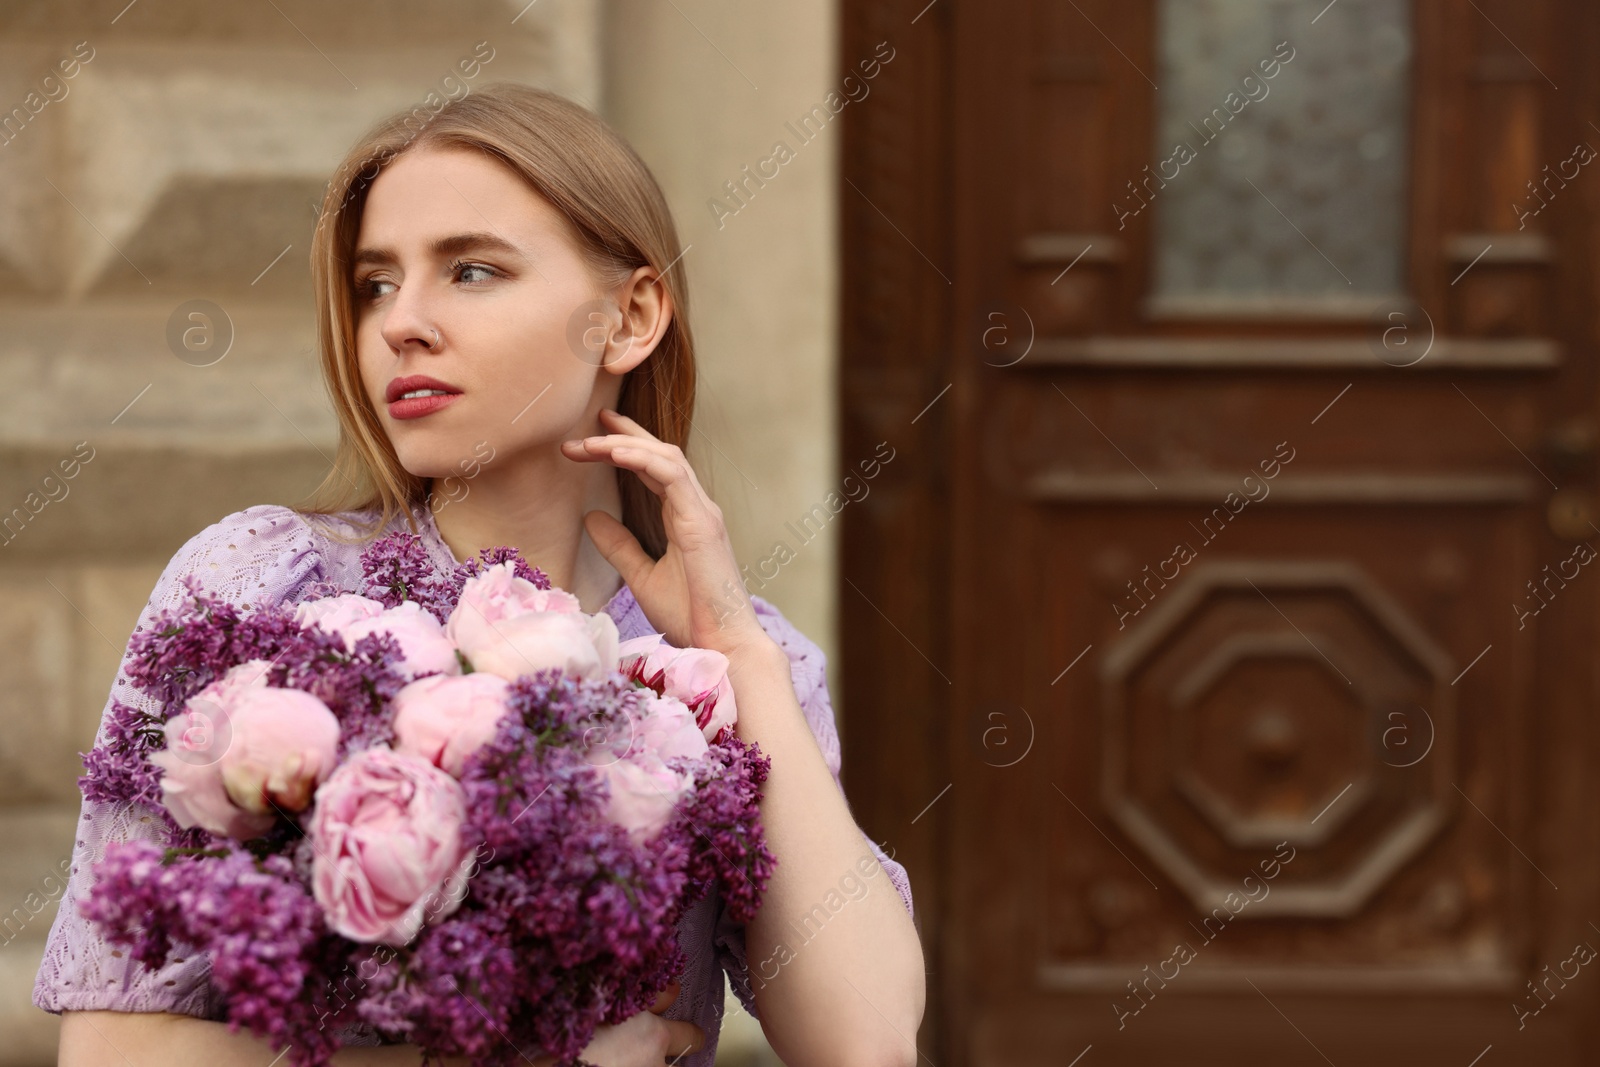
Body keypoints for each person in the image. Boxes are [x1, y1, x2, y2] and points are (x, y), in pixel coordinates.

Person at [34, 83, 923, 1066]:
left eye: (471, 269)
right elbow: (111, 1045)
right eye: (377, 282)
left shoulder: (728, 665)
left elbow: (864, 1041)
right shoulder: (259, 585)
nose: (401, 322)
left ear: (628, 317)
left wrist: (739, 654)